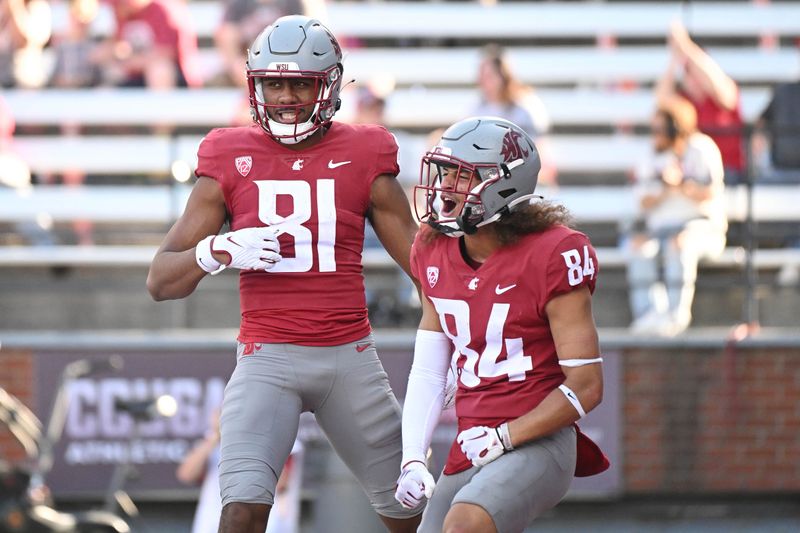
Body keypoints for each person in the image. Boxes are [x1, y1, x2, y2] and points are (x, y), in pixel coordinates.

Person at [146, 15, 422, 533]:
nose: (288, 96)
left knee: (409, 514)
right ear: (256, 87)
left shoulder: (365, 151)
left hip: (350, 357)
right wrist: (219, 248)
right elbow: (161, 280)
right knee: (242, 512)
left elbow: (425, 269)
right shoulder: (228, 155)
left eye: (301, 83)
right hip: (266, 358)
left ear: (330, 85)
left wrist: (456, 344)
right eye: (275, 82)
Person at [394, 117, 609, 532]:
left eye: (460, 177)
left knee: (465, 524)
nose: (443, 188)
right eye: (444, 173)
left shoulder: (553, 252)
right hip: (473, 441)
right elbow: (429, 369)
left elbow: (587, 384)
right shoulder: (432, 246)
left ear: (501, 185)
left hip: (540, 436)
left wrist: (505, 436)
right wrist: (413, 458)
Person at [626, 96, 726, 336]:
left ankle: (676, 315)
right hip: (658, 228)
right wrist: (665, 189)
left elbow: (711, 192)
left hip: (701, 226)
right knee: (638, 245)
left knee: (679, 243)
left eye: (662, 128)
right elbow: (642, 201)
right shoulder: (651, 153)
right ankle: (648, 314)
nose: (657, 134)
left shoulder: (701, 147)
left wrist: (681, 184)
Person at [177, 409, 303, 533]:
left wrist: (251, 438)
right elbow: (186, 474)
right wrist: (216, 435)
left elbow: (281, 484)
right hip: (214, 523)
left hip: (264, 524)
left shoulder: (275, 440)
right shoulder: (214, 442)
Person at [656, 20, 745, 185]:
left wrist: (686, 46)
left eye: (697, 68)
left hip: (729, 172)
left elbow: (717, 84)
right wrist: (675, 57)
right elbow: (661, 100)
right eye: (689, 69)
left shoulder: (725, 92)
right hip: (692, 173)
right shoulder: (683, 101)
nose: (694, 75)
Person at [471, 44, 556, 186]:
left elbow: (539, 152)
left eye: (489, 75)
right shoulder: (477, 107)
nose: (483, 80)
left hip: (520, 174)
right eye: (481, 75)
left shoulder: (524, 107)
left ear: (503, 75)